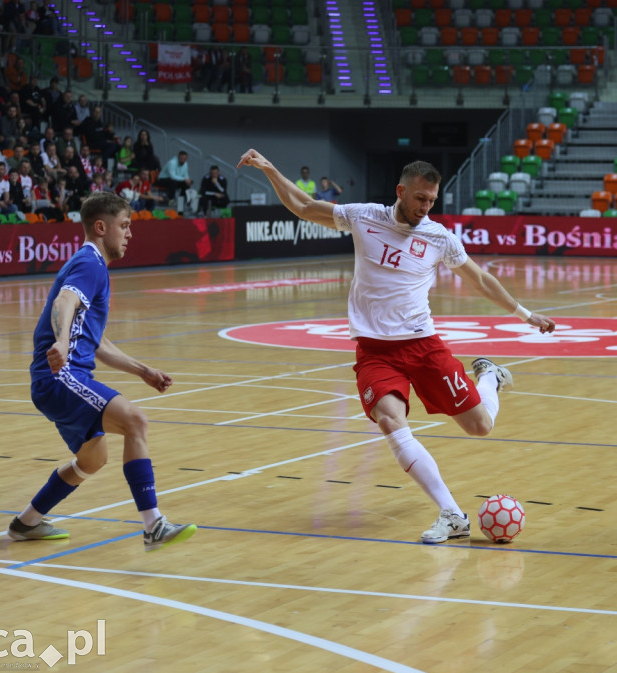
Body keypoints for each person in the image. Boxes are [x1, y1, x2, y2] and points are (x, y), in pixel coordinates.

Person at [238, 150, 556, 543]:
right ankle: (452, 514)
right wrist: (270, 168)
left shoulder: (439, 237)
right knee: (390, 420)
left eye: (432, 201)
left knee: (480, 426)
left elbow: (480, 280)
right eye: (420, 198)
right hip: (374, 351)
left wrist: (525, 314)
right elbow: (304, 206)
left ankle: (488, 375)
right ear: (401, 191)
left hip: (423, 345)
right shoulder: (363, 216)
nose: (426, 207)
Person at [8, 192, 197, 551]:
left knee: (93, 459)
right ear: (100, 227)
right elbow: (65, 301)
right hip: (60, 376)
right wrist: (62, 342)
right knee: (135, 421)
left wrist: (143, 370)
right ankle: (153, 526)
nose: (129, 234)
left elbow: (96, 341)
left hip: (62, 378)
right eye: (124, 226)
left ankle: (26, 523)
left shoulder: (92, 267)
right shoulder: (90, 263)